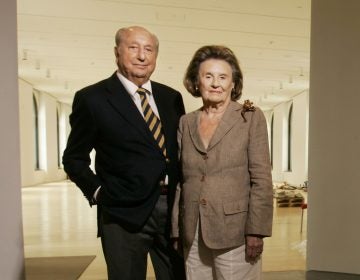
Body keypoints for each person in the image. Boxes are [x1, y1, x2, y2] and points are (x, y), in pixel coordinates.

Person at [62, 26, 185, 280]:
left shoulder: (171, 97)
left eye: (149, 49)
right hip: (122, 215)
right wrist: (98, 192)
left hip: (172, 211)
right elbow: (74, 159)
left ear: (155, 57)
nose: (142, 56)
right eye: (133, 47)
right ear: (117, 52)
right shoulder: (92, 98)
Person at [171, 45, 273, 280]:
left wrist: (256, 231)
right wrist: (177, 229)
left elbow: (261, 180)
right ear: (196, 82)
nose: (215, 83)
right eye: (208, 76)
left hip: (235, 232)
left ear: (233, 83)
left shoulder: (250, 117)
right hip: (193, 231)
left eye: (223, 77)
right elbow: (183, 180)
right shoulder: (186, 122)